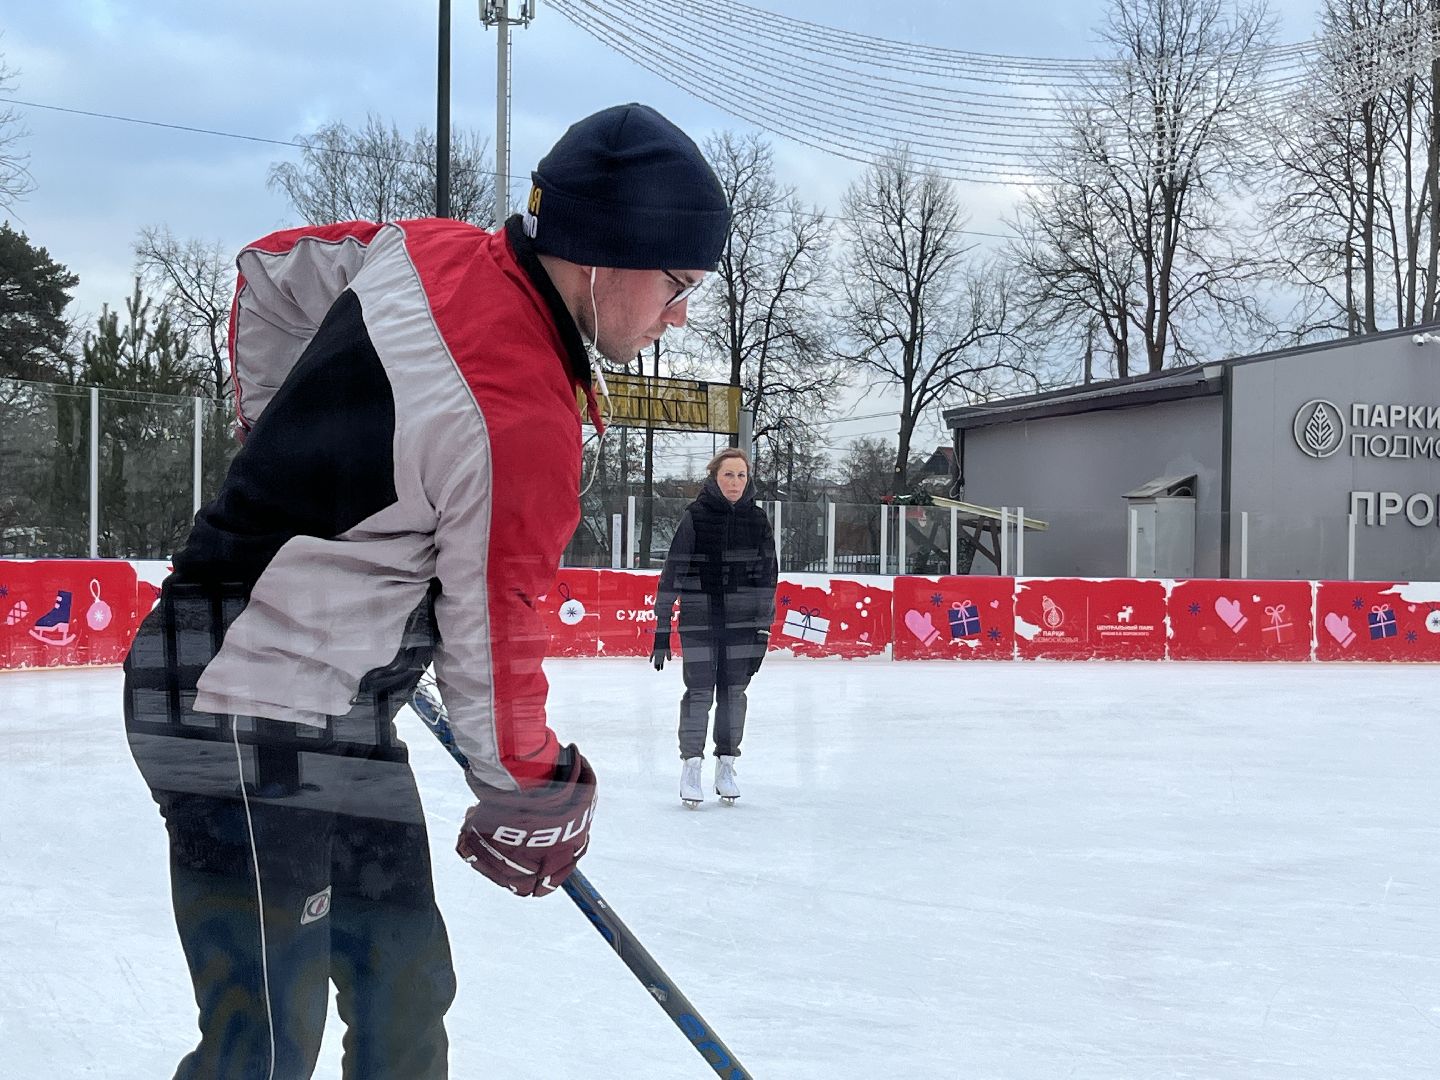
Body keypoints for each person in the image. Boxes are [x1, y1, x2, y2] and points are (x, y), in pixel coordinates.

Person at [122, 102, 729, 1079]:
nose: (681, 312)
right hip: (230, 703)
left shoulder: (426, 249)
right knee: (268, 1042)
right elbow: (495, 639)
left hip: (338, 708)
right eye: (679, 283)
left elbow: (271, 275)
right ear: (608, 257)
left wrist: (304, 460)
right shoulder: (519, 411)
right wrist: (530, 786)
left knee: (403, 995)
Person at [650, 448, 778, 806]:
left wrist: (763, 629)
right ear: (714, 478)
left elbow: (768, 577)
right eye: (728, 475)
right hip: (699, 621)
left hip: (742, 625)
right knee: (700, 692)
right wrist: (662, 623)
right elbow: (673, 568)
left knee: (733, 694)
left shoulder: (758, 520)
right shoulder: (696, 516)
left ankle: (726, 764)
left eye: (741, 475)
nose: (735, 482)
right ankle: (691, 766)